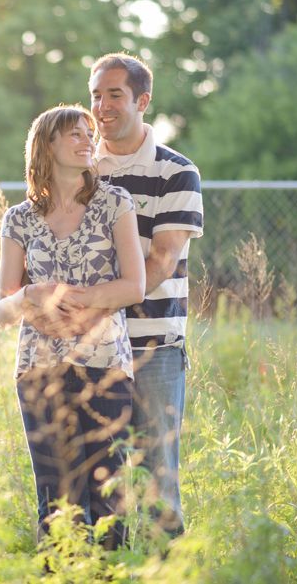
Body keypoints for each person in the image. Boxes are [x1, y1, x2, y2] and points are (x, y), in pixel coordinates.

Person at [0, 104, 146, 549]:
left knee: (107, 498)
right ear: (47, 145)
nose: (87, 140)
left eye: (88, 133)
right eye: (74, 134)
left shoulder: (115, 203)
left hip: (105, 365)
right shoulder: (18, 219)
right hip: (39, 370)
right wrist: (29, 297)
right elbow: (1, 310)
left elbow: (134, 286)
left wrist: (75, 304)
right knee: (56, 500)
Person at [85, 53, 204, 538]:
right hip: (89, 348)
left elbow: (161, 260)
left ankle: (167, 572)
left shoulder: (177, 172)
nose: (102, 106)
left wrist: (96, 303)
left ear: (142, 100)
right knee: (100, 483)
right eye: (95, 95)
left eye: (114, 94)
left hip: (154, 348)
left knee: (159, 484)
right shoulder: (82, 170)